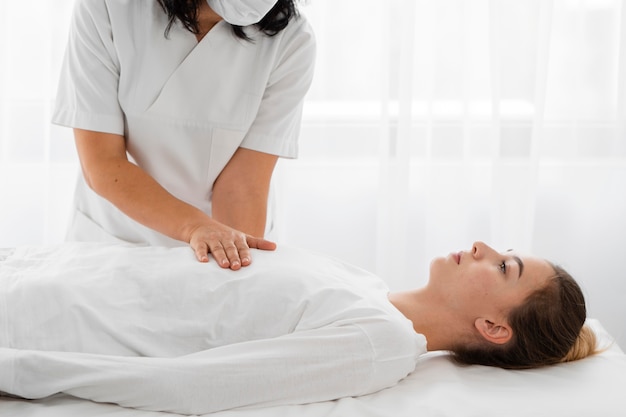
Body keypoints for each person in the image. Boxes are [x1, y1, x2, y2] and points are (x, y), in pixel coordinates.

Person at [0, 241, 596, 414]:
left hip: (41, 317)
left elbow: (191, 385)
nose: (483, 246)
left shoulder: (379, 344)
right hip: (43, 266)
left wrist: (23, 370)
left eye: (504, 266)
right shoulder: (362, 280)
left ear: (493, 326)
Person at [52, 0, 316, 269]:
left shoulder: (292, 39)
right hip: (114, 242)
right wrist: (196, 228)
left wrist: (230, 272)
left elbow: (243, 185)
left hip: (216, 248)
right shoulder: (109, 7)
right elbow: (103, 162)